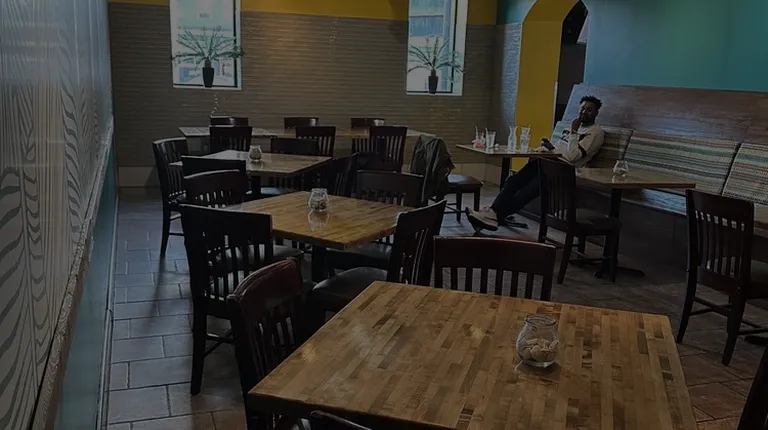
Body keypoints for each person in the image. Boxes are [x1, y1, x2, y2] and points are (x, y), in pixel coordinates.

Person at [467, 95, 605, 232]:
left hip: (563, 170)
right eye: (582, 108)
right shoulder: (573, 125)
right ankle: (492, 213)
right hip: (548, 161)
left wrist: (573, 132)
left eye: (589, 110)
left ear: (596, 113)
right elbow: (560, 148)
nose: (584, 112)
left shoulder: (595, 132)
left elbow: (573, 156)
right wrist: (548, 148)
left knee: (526, 192)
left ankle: (494, 216)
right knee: (512, 181)